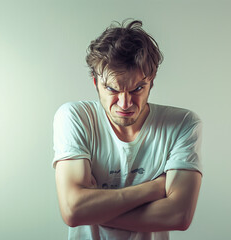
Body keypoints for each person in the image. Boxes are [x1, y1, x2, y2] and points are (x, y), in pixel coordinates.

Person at [52, 19, 203, 240]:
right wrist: (154, 188)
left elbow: (179, 216)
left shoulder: (183, 124)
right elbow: (73, 210)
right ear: (95, 83)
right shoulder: (75, 118)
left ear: (152, 82)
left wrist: (92, 208)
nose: (125, 103)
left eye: (137, 88)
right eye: (112, 89)